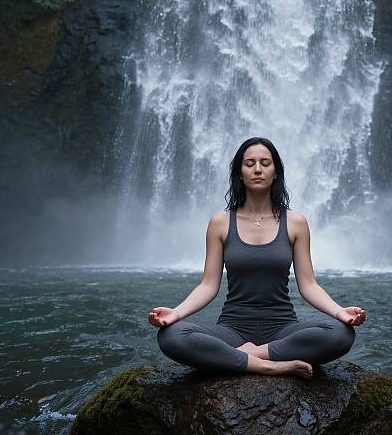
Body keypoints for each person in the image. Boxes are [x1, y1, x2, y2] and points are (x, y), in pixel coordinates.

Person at [148, 137, 366, 379]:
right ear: (239, 173)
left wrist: (340, 313)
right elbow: (208, 285)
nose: (258, 169)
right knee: (170, 335)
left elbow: (309, 285)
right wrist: (175, 313)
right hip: (232, 329)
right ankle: (270, 366)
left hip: (283, 328)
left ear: (276, 172)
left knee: (341, 333)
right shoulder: (220, 223)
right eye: (249, 163)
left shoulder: (296, 223)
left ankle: (249, 356)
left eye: (265, 163)